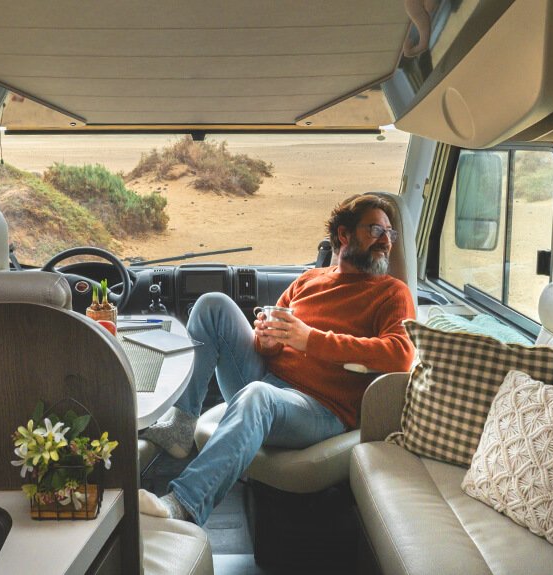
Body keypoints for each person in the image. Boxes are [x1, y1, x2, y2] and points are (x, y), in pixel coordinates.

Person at [139, 193, 416, 524]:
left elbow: (400, 356)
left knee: (259, 396)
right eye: (375, 230)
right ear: (344, 236)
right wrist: (267, 339)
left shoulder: (391, 293)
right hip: (271, 381)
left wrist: (310, 340)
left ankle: (184, 504)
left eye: (390, 233)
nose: (386, 241)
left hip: (322, 409)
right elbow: (271, 342)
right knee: (213, 305)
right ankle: (183, 424)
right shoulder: (308, 280)